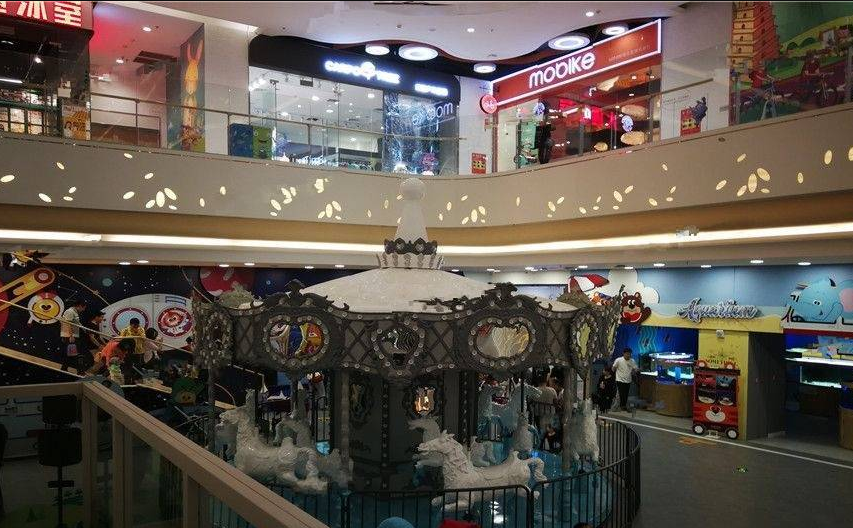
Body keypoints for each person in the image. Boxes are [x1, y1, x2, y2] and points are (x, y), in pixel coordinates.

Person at [58, 299, 86, 372]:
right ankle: (80, 371)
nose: (83, 310)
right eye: (83, 308)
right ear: (79, 306)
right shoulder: (70, 311)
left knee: (71, 353)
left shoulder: (75, 312)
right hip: (69, 336)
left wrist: (85, 329)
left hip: (73, 335)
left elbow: (77, 323)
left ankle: (64, 368)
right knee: (74, 353)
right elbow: (68, 324)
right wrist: (71, 336)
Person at [119, 318, 146, 382]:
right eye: (134, 325)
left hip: (138, 351)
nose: (136, 326)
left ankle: (138, 379)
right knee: (128, 366)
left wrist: (139, 332)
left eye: (137, 325)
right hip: (128, 351)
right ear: (130, 324)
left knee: (138, 365)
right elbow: (121, 340)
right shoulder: (125, 330)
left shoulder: (141, 329)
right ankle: (127, 380)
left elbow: (144, 339)